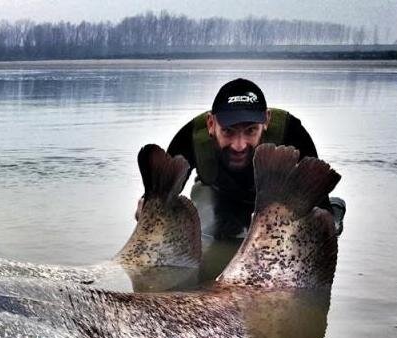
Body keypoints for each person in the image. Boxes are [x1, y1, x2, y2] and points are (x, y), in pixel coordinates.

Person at [138, 78, 345, 240]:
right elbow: (162, 197)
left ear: (266, 121)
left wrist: (324, 220)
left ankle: (337, 210)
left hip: (273, 198)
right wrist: (146, 206)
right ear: (211, 124)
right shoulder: (192, 137)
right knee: (208, 234)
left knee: (318, 230)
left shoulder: (290, 132)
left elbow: (315, 195)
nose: (239, 145)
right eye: (228, 131)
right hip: (218, 192)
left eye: (250, 130)